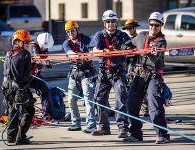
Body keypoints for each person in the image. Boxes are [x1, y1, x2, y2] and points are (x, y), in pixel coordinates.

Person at [124, 12, 170, 144]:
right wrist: (125, 48)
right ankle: (136, 134)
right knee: (131, 103)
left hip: (153, 75)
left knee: (154, 104)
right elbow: (129, 43)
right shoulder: (141, 35)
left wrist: (151, 51)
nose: (153, 27)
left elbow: (156, 57)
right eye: (151, 24)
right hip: (139, 75)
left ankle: (162, 134)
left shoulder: (161, 41)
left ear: (161, 26)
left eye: (157, 25)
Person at [89, 10, 130, 138]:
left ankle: (123, 128)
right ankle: (103, 127)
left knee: (121, 99)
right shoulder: (99, 35)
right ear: (104, 23)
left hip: (118, 72)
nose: (111, 24)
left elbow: (130, 50)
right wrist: (103, 51)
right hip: (104, 73)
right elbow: (94, 51)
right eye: (108, 22)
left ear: (116, 23)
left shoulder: (123, 36)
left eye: (113, 21)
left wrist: (124, 50)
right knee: (99, 99)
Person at [62, 20, 96, 133]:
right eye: (68, 32)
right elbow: (70, 53)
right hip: (74, 73)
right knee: (71, 99)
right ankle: (75, 123)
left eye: (72, 31)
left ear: (77, 30)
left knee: (88, 99)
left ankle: (91, 124)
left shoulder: (86, 39)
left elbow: (92, 53)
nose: (70, 33)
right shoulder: (66, 43)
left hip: (86, 72)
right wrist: (80, 56)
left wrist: (87, 55)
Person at [2, 29, 35, 145]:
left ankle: (10, 137)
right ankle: (21, 137)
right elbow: (26, 76)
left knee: (13, 111)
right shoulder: (25, 54)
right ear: (20, 42)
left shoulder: (8, 53)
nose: (27, 45)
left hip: (7, 88)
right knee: (29, 110)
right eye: (26, 43)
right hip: (20, 88)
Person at [122, 19, 149, 117]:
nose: (129, 30)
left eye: (131, 28)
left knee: (142, 88)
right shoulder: (125, 39)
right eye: (127, 28)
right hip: (128, 66)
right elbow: (122, 48)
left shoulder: (140, 37)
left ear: (135, 28)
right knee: (129, 89)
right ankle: (131, 109)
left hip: (140, 65)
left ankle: (145, 109)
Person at [28, 32, 54, 119]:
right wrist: (46, 62)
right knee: (25, 96)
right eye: (42, 46)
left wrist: (48, 64)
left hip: (36, 75)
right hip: (25, 76)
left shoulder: (45, 48)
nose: (43, 48)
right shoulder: (32, 46)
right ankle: (26, 115)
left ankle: (47, 115)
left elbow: (45, 60)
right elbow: (37, 58)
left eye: (45, 47)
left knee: (45, 90)